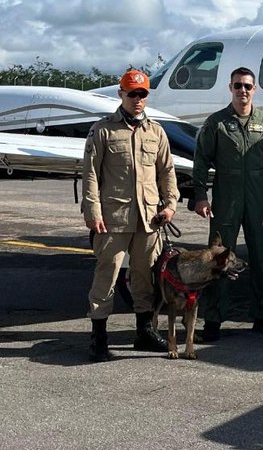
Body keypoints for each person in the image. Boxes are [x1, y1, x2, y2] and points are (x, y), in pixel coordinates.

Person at [83, 69, 179, 362]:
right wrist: (93, 211)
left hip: (148, 219)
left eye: (142, 94)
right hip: (113, 217)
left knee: (144, 277)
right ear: (121, 94)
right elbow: (90, 175)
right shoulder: (102, 130)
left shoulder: (156, 131)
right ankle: (99, 338)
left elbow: (166, 171)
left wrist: (170, 204)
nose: (138, 99)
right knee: (107, 276)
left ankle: (144, 333)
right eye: (132, 93)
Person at [192, 66, 263, 341]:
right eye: (237, 86)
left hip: (258, 197)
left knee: (261, 256)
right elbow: (201, 161)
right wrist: (200, 196)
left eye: (247, 86)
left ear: (254, 89)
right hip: (226, 195)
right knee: (219, 258)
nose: (242, 91)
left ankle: (262, 315)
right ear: (230, 89)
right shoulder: (216, 123)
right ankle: (213, 319)